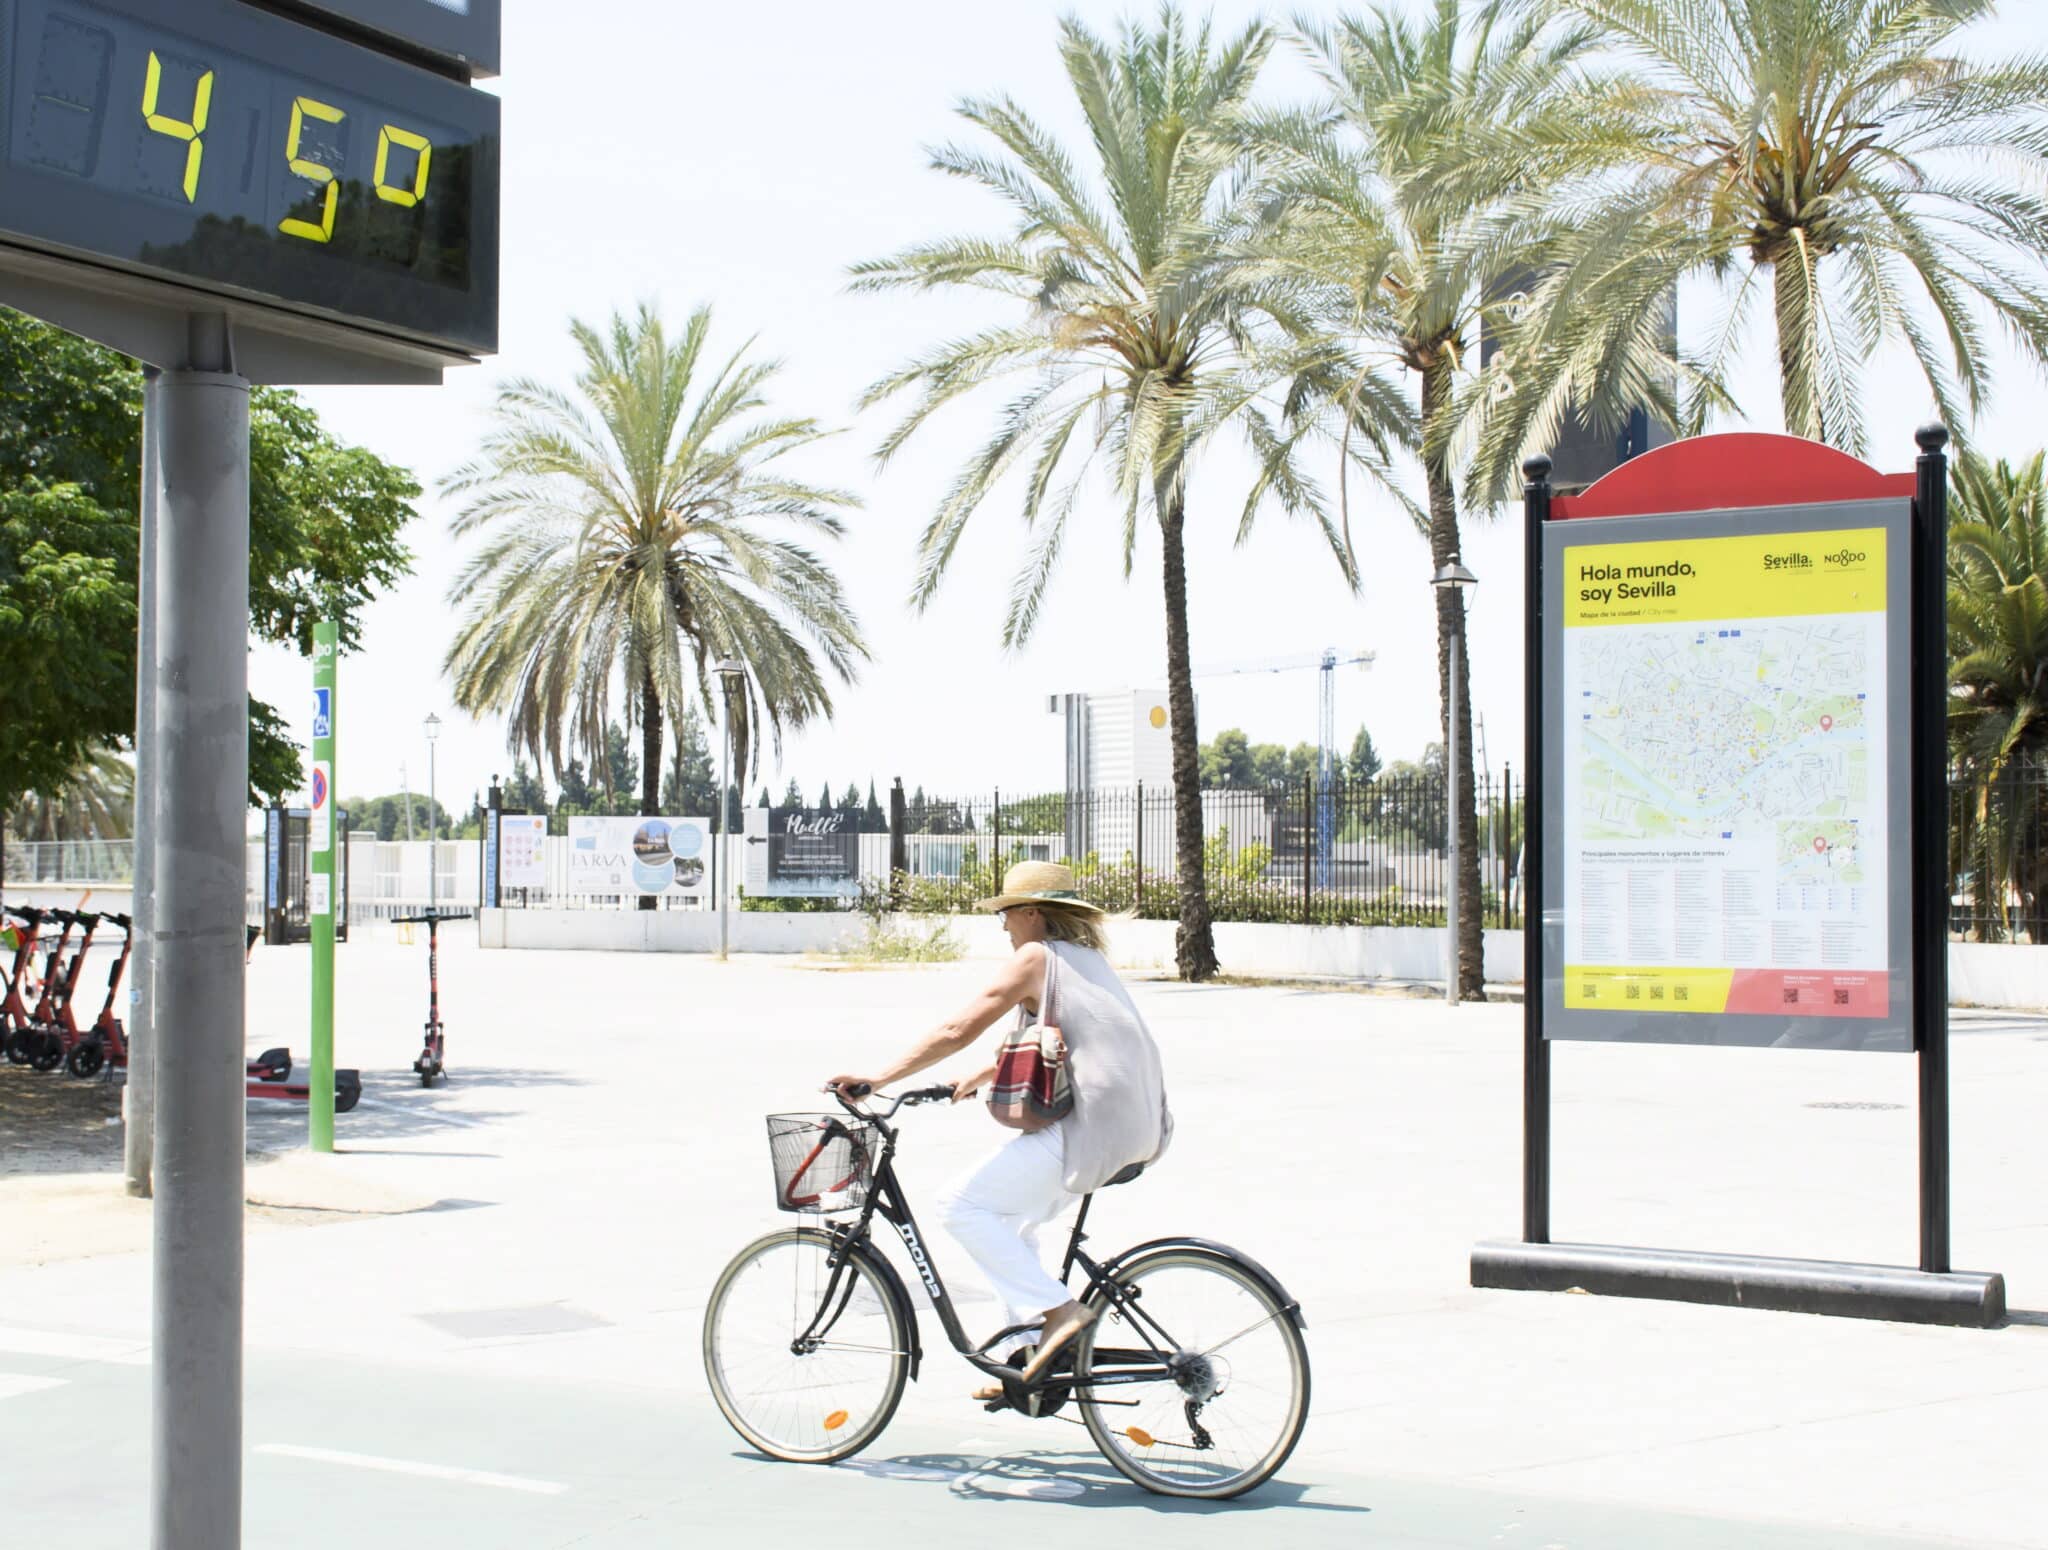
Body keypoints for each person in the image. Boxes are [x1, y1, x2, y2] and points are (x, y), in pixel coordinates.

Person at [828, 861, 1171, 1399]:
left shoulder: (1036, 958)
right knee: (1011, 1227)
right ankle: (1029, 1360)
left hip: (1094, 1129)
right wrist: (984, 1074)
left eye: (1008, 914)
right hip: (1141, 1128)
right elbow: (1061, 1038)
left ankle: (1059, 1314)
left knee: (960, 1206)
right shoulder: (1085, 960)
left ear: (1033, 914)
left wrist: (878, 1078)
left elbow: (957, 1027)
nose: (1005, 927)